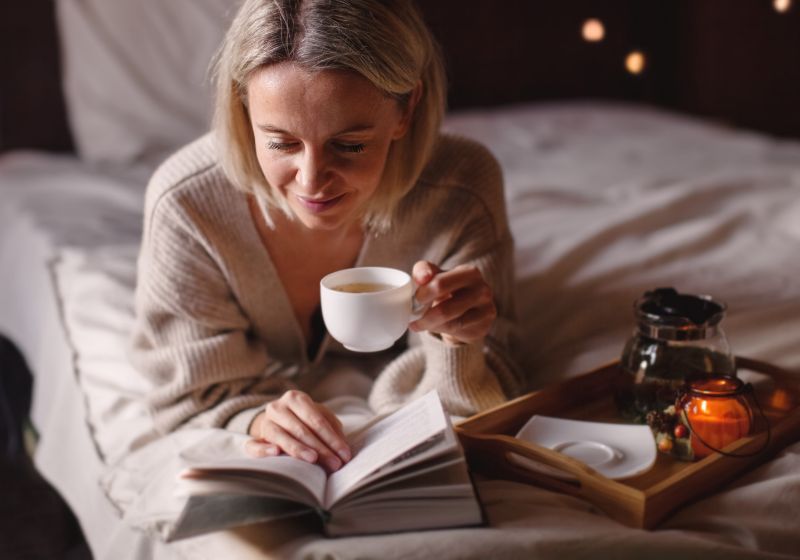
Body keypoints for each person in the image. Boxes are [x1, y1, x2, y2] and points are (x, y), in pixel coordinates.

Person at [130, 0, 521, 474]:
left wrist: (457, 344)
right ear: (242, 105)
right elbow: (188, 393)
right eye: (281, 143)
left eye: (350, 144)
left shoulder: (461, 189)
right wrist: (255, 419)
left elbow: (495, 382)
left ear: (407, 109)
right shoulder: (188, 207)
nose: (312, 181)